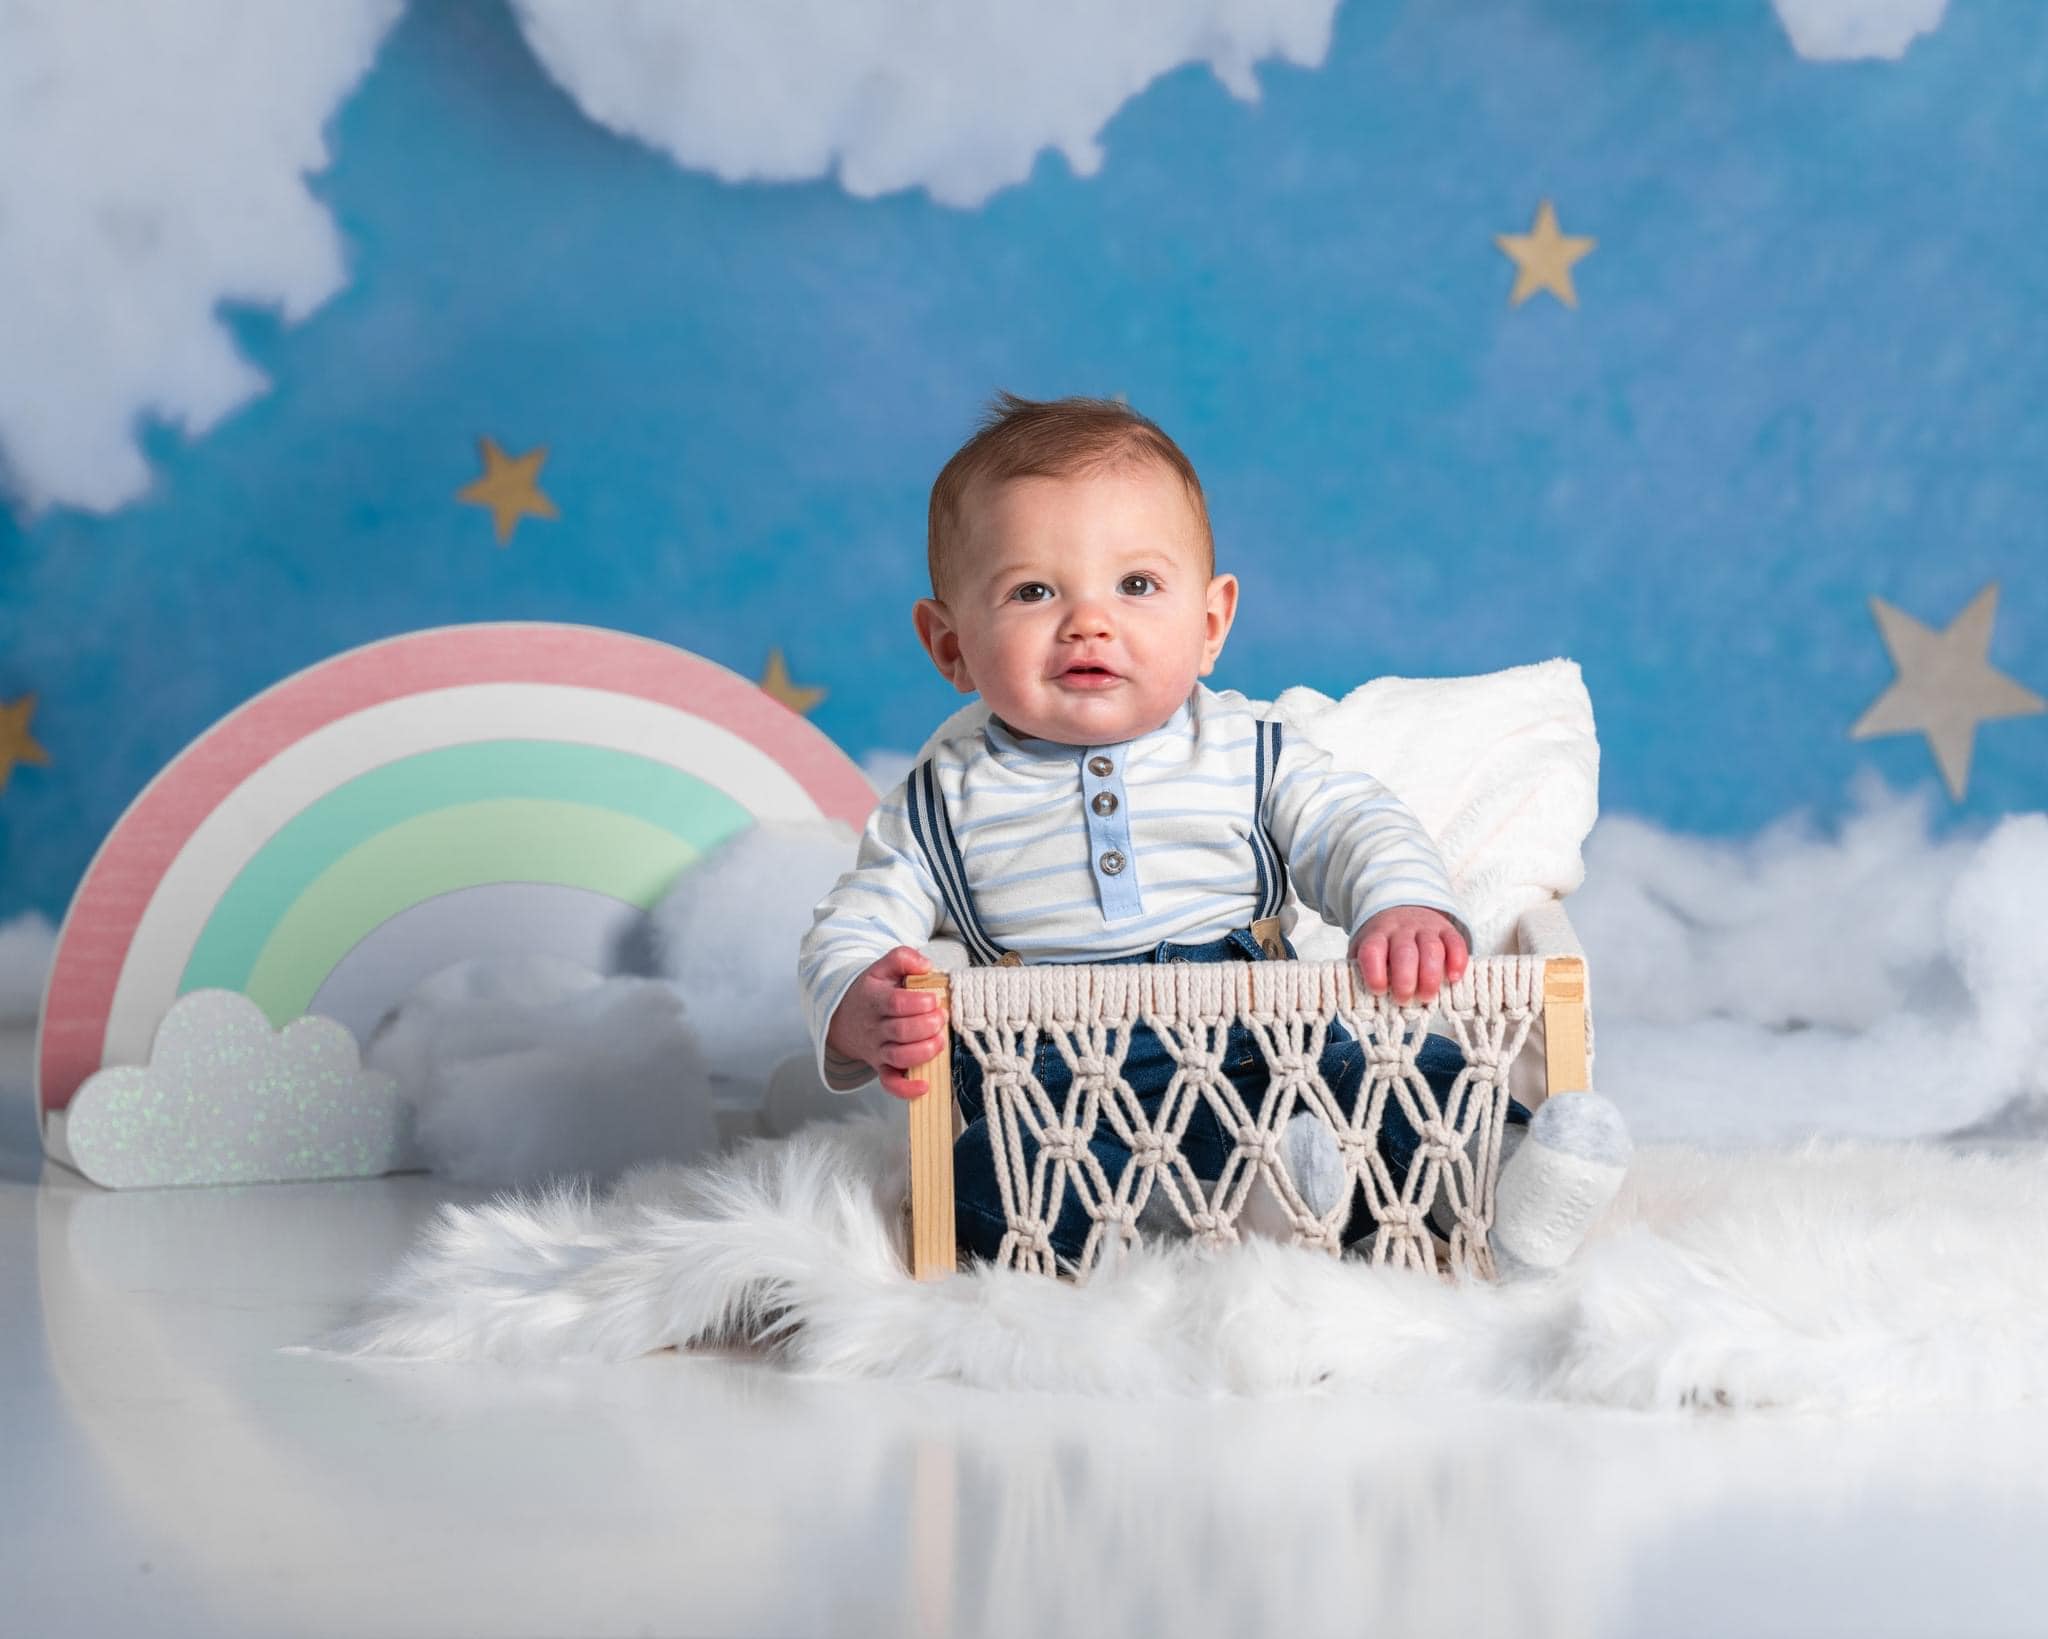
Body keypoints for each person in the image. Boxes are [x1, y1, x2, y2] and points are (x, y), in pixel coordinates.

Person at [799, 393, 1612, 1270]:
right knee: (985, 1182)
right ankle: (1208, 1214)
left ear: (1212, 622)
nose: (1089, 620)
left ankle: (1514, 1189)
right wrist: (857, 1002)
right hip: (1053, 1081)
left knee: (1406, 1078)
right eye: (1033, 590)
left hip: (1266, 1044)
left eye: (1136, 585)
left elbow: (1354, 825)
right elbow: (853, 923)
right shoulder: (940, 801)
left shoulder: (1246, 750)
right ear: (949, 643)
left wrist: (1403, 903)